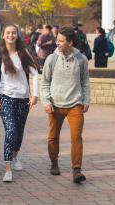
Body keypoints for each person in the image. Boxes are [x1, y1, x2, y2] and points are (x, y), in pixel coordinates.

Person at [41, 27, 90, 184]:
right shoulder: (51, 59)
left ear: (70, 42)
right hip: (55, 104)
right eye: (58, 40)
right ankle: (54, 161)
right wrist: (46, 101)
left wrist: (86, 100)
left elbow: (85, 82)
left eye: (61, 41)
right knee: (53, 136)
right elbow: (45, 82)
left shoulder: (81, 59)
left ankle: (77, 170)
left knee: (76, 137)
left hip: (75, 103)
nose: (58, 43)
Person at [0, 24, 39, 182]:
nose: (11, 35)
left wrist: (35, 95)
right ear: (3, 35)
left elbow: (35, 73)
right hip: (5, 96)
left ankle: (15, 156)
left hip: (23, 98)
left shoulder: (23, 52)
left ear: (17, 35)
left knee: (19, 131)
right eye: (8, 33)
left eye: (14, 33)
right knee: (10, 130)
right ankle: (7, 168)